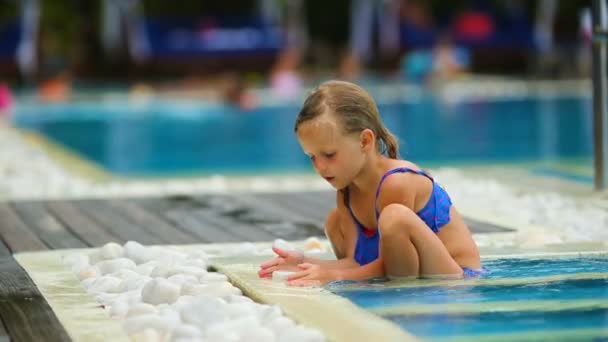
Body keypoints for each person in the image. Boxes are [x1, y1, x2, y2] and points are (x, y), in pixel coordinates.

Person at [258, 80, 482, 286]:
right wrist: (303, 263)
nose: (320, 167)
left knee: (395, 217)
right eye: (312, 157)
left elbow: (385, 266)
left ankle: (404, 298)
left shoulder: (396, 182)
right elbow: (355, 263)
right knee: (334, 221)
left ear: (365, 141)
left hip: (458, 277)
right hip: (412, 272)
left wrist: (332, 276)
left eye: (329, 154)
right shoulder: (346, 190)